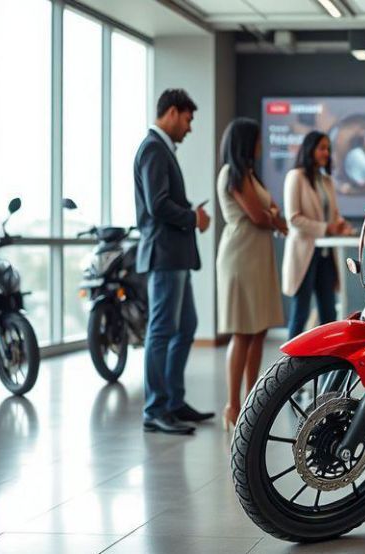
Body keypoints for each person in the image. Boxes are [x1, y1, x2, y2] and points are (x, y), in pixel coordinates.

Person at [135, 89, 213, 435]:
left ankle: (173, 402)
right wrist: (192, 217)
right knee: (163, 330)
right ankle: (155, 408)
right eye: (188, 118)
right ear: (171, 113)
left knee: (184, 328)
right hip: (164, 254)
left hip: (175, 254)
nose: (189, 127)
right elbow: (158, 205)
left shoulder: (161, 149)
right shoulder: (153, 148)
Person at [216, 118, 288, 431]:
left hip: (256, 255)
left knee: (258, 330)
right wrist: (273, 218)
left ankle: (248, 401)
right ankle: (232, 406)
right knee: (242, 330)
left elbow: (270, 209)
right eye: (258, 139)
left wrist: (272, 216)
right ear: (245, 142)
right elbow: (260, 216)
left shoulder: (248, 174)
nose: (262, 144)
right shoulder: (232, 175)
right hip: (241, 255)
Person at [283, 131, 354, 338]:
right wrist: (326, 228)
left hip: (326, 256)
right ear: (309, 150)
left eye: (328, 148)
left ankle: (327, 368)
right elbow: (293, 218)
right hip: (304, 253)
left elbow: (334, 215)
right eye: (322, 148)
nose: (327, 152)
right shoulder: (295, 177)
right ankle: (290, 368)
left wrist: (340, 226)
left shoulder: (326, 181)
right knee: (300, 315)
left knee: (329, 316)